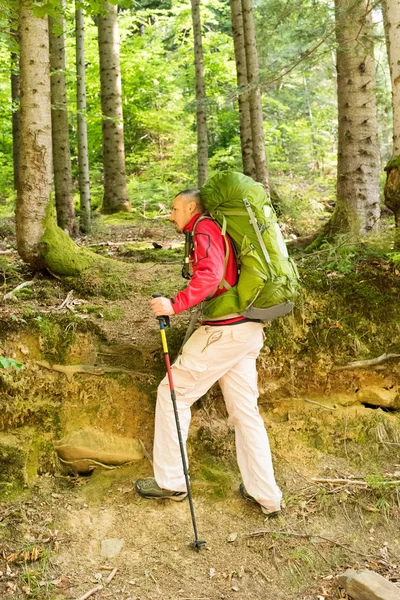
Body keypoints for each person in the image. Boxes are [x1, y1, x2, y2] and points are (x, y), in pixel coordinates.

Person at [135, 189, 283, 516]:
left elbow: (211, 274)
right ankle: (267, 496)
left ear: (191, 207)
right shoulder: (220, 229)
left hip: (224, 333)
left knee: (172, 393)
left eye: (174, 208)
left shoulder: (204, 228)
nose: (171, 215)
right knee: (245, 414)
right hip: (247, 331)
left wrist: (174, 304)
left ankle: (172, 481)